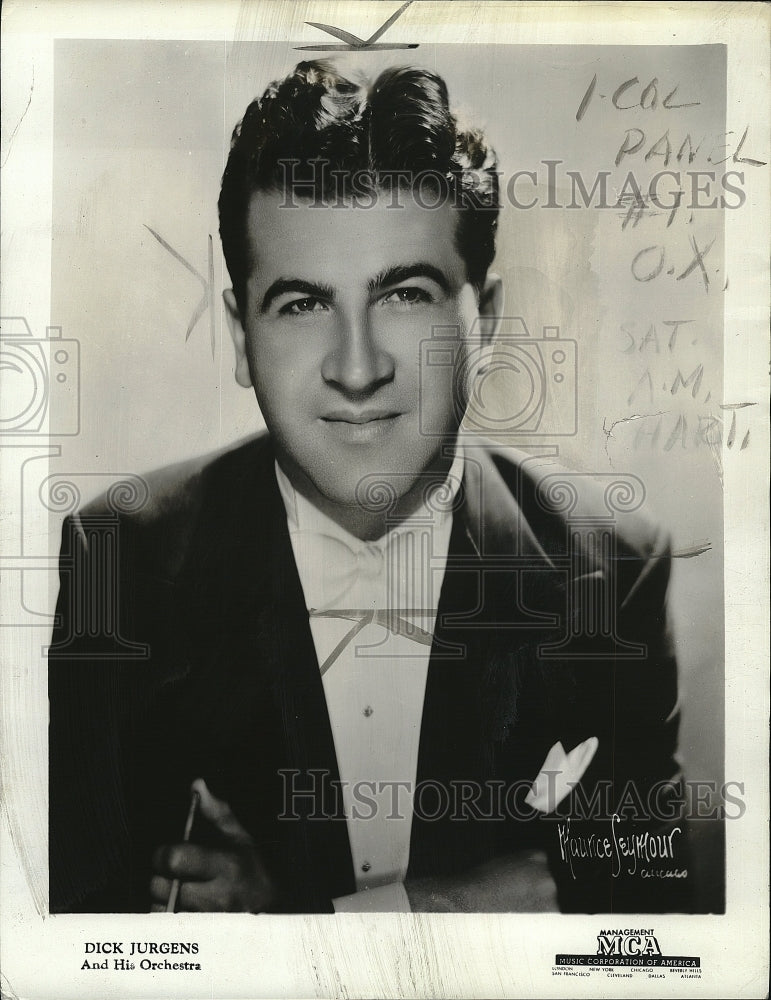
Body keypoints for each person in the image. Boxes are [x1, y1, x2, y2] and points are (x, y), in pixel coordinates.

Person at [49, 61, 688, 914]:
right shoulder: (118, 560)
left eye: (405, 294)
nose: (357, 369)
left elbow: (646, 914)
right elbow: (78, 941)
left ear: (484, 321)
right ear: (241, 334)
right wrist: (447, 907)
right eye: (302, 305)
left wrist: (296, 926)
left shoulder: (613, 569)